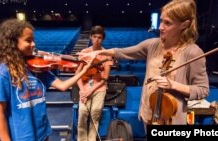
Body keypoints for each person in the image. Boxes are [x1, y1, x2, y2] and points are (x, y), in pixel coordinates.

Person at [78, 0, 209, 127]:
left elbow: (202, 90)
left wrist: (174, 85)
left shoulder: (193, 52)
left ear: (184, 25)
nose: (160, 27)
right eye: (162, 20)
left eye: (167, 23)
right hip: (149, 111)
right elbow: (123, 52)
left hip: (171, 117)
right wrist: (97, 53)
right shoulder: (152, 45)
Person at [0, 18, 92, 141]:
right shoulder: (1, 74)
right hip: (21, 136)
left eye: (33, 40)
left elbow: (62, 86)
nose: (33, 45)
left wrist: (83, 71)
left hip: (43, 133)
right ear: (13, 43)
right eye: (28, 41)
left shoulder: (37, 67)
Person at [75, 25, 113, 141]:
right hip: (84, 88)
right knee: (82, 113)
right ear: (91, 37)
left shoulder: (107, 55)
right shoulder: (84, 52)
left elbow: (105, 78)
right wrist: (82, 90)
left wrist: (90, 90)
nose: (97, 40)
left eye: (100, 37)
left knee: (95, 113)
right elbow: (77, 73)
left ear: (103, 39)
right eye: (94, 36)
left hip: (99, 88)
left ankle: (91, 139)